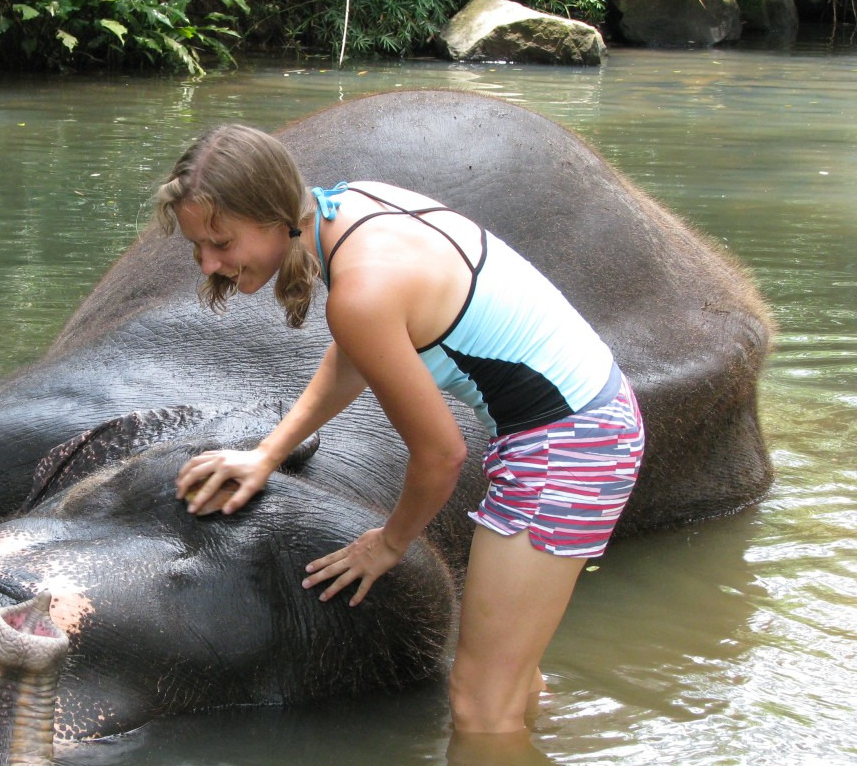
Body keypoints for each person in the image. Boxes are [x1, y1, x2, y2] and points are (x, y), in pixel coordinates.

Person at [159, 124, 644, 735]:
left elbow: (441, 456)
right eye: (198, 247)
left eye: (222, 241)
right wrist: (267, 454)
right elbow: (357, 352)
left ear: (273, 213)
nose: (210, 263)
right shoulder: (351, 206)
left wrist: (388, 544)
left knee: (476, 708)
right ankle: (550, 759)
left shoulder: (361, 291)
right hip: (593, 419)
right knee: (507, 677)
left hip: (569, 451)